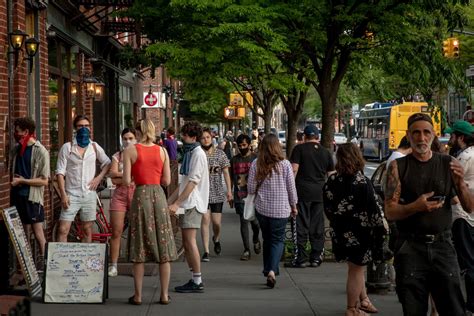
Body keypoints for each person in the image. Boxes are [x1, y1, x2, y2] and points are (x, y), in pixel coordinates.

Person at [384, 113, 474, 316]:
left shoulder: (448, 163)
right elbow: (390, 211)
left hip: (443, 247)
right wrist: (416, 206)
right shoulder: (398, 166)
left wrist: (460, 183)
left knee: (453, 308)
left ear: (434, 134)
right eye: (416, 132)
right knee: (413, 309)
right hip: (410, 248)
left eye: (426, 132)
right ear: (408, 135)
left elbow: (469, 207)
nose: (421, 138)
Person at [323, 143, 387, 316]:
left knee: (355, 267)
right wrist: (381, 231)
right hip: (361, 231)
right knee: (357, 269)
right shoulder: (362, 182)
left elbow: (328, 207)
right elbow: (373, 211)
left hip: (340, 229)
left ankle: (363, 300)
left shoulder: (332, 180)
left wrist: (336, 221)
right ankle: (352, 308)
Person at [122, 119, 177, 305]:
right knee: (163, 244)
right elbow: (167, 181)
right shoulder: (162, 151)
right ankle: (164, 295)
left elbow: (126, 179)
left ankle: (137, 296)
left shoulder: (130, 150)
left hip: (140, 194)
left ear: (138, 132)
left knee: (139, 245)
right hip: (158, 196)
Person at [247, 134, 298, 288]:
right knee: (278, 240)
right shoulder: (285, 164)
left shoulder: (256, 163)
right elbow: (291, 187)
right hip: (281, 210)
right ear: (277, 146)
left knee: (267, 240)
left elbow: (250, 187)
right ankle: (271, 271)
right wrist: (294, 205)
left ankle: (268, 269)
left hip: (263, 209)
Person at [56, 115, 111, 243]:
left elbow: (107, 163)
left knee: (87, 230)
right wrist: (63, 195)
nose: (84, 128)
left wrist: (99, 177)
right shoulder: (67, 147)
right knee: (63, 229)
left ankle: (85, 261)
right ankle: (61, 261)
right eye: (80, 126)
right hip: (71, 195)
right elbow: (60, 173)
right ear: (75, 128)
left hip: (89, 194)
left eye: (86, 126)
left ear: (90, 128)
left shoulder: (94, 147)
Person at [169, 121, 209, 293]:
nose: (182, 138)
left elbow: (193, 182)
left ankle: (197, 280)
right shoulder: (189, 153)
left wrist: (176, 203)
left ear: (192, 137)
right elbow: (184, 181)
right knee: (186, 242)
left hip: (193, 202)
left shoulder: (197, 154)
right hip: (188, 202)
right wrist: (170, 200)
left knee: (190, 242)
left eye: (184, 135)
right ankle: (194, 277)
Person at [286, 125, 334, 268]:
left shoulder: (299, 149)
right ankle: (316, 257)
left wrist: (290, 191)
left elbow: (294, 170)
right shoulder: (326, 152)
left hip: (302, 192)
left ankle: (300, 258)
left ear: (304, 137)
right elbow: (331, 175)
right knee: (317, 225)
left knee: (300, 225)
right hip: (319, 193)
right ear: (317, 137)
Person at [10, 117, 50, 272]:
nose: (15, 133)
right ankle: (26, 269)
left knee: (38, 232)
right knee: (21, 233)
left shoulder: (41, 151)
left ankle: (47, 267)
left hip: (32, 198)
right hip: (17, 196)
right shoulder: (17, 149)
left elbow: (44, 181)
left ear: (26, 132)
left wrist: (23, 181)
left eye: (17, 130)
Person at [447, 120, 474, 314]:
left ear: (461, 138)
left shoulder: (464, 157)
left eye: (452, 136)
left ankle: (471, 304)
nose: (450, 140)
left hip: (463, 216)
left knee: (468, 262)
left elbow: (451, 183)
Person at [199, 128, 232, 262]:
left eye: (207, 137)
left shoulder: (220, 154)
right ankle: (206, 251)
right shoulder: (198, 154)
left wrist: (229, 191)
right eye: (203, 138)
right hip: (203, 193)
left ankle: (216, 238)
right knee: (205, 220)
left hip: (217, 191)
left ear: (212, 138)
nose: (205, 139)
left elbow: (226, 173)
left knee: (216, 223)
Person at [107, 128, 137, 277]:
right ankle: (114, 264)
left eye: (131, 138)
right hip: (120, 194)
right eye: (125, 138)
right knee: (116, 231)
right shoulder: (117, 155)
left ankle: (135, 264)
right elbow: (112, 177)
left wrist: (124, 176)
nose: (127, 141)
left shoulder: (138, 154)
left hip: (136, 192)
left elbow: (139, 176)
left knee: (135, 231)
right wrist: (128, 175)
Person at [230, 134, 261, 261]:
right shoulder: (234, 160)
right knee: (243, 221)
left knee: (255, 222)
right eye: (240, 145)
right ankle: (247, 249)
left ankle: (255, 237)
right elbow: (231, 177)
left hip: (254, 195)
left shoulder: (255, 159)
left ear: (249, 145)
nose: (242, 147)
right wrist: (230, 194)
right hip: (240, 195)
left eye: (244, 145)